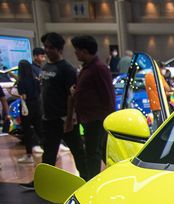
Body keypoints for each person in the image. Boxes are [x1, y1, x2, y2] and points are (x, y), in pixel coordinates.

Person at [21, 32, 86, 191]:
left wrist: (70, 118)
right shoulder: (46, 68)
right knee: (48, 153)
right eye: (46, 47)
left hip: (63, 118)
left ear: (58, 49)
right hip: (48, 118)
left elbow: (72, 96)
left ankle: (86, 178)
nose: (47, 50)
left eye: (50, 48)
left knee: (77, 151)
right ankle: (41, 182)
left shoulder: (67, 69)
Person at [70, 35, 115, 180]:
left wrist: (109, 120)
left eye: (77, 51)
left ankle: (91, 182)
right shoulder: (88, 68)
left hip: (97, 119)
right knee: (99, 151)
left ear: (84, 51)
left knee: (93, 153)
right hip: (89, 118)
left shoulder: (99, 69)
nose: (75, 54)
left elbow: (108, 95)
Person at [15, 60, 42, 164]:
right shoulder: (35, 80)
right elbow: (39, 92)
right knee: (40, 129)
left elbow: (23, 96)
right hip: (37, 106)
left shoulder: (21, 81)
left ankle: (29, 155)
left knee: (27, 131)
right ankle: (50, 150)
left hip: (26, 108)